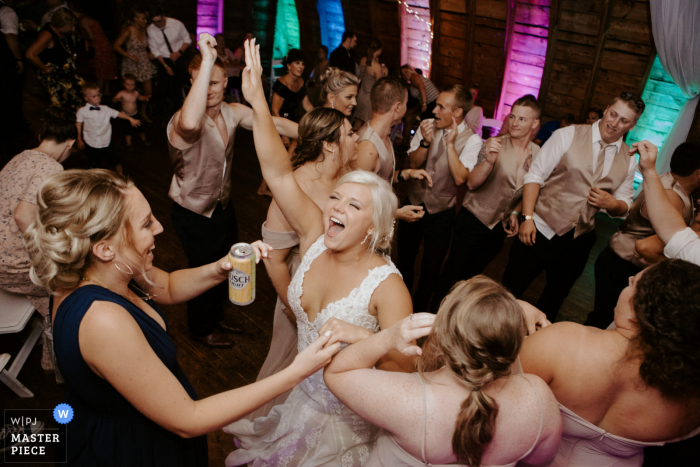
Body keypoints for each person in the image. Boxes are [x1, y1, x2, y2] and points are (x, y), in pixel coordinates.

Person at [23, 168, 341, 466]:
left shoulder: (103, 270)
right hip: (135, 444)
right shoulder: (102, 319)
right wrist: (295, 372)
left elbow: (169, 286)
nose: (159, 227)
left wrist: (222, 267)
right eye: (146, 223)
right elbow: (188, 419)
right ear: (106, 248)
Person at [224, 38, 415, 467]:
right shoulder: (313, 232)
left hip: (346, 423)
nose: (335, 208)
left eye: (352, 205)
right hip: (298, 402)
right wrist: (257, 100)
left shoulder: (387, 287)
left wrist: (366, 341)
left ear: (375, 226)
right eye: (336, 199)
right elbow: (276, 171)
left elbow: (402, 373)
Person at [324, 276, 562, 467]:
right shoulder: (539, 398)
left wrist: (387, 337)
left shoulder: (412, 400)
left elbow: (336, 373)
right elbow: (540, 459)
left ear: (444, 338)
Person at [167, 34, 298, 348]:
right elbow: (190, 121)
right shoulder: (181, 122)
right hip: (193, 213)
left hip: (223, 208)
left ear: (226, 83)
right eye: (202, 83)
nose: (209, 90)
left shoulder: (232, 111)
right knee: (203, 272)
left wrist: (326, 132)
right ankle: (201, 328)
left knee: (227, 263)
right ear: (192, 82)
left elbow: (276, 124)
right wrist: (207, 59)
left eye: (214, 83)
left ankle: (215, 317)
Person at [519, 260, 700, 467]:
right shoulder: (692, 397)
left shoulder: (563, 342)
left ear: (637, 307)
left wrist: (512, 308)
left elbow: (491, 392)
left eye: (632, 284)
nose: (627, 285)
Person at [247, 107, 359, 421]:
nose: (356, 137)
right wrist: (293, 307)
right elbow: (275, 260)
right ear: (330, 145)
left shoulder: (347, 175)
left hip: (343, 287)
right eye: (349, 133)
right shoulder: (294, 186)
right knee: (289, 366)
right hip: (301, 289)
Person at [502, 92, 643, 322]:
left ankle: (535, 349)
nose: (614, 123)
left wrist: (612, 204)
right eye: (613, 114)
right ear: (606, 109)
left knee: (553, 300)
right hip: (539, 228)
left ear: (633, 125)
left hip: (578, 240)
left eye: (624, 121)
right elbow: (535, 176)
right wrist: (527, 218)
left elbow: (626, 205)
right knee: (509, 292)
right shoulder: (567, 135)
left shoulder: (629, 160)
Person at [431, 94, 542, 314]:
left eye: (522, 119)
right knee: (453, 274)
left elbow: (528, 189)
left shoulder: (538, 154)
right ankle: (433, 316)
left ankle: (454, 319)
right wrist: (489, 162)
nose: (515, 123)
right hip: (473, 220)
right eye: (513, 117)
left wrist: (515, 211)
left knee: (471, 279)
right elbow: (471, 183)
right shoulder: (494, 144)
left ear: (535, 123)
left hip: (497, 230)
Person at [585, 141, 700, 329]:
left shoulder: (668, 181)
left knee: (605, 319)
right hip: (623, 264)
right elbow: (649, 246)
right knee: (604, 321)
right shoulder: (673, 196)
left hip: (618, 258)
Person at [0, 107, 76, 375]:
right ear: (71, 143)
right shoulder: (51, 166)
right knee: (69, 285)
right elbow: (23, 216)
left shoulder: (18, 157)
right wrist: (47, 259)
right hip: (11, 267)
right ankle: (61, 363)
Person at [399, 86, 482, 313]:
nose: (434, 110)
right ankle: (399, 305)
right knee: (404, 260)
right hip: (413, 202)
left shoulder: (473, 141)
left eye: (441, 107)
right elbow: (414, 165)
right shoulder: (427, 127)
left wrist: (450, 144)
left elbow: (459, 178)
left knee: (431, 268)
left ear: (456, 112)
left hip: (441, 214)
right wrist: (425, 142)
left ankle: (418, 311)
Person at [25, 8, 84, 111]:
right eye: (70, 26)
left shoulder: (63, 32)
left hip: (67, 74)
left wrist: (73, 55)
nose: (73, 29)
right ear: (62, 24)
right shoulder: (47, 34)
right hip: (56, 78)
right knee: (61, 106)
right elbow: (30, 54)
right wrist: (45, 69)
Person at [77, 81, 140, 174]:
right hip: (91, 143)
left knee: (116, 160)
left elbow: (119, 114)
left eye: (99, 95)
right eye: (94, 96)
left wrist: (130, 119)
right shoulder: (82, 111)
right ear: (86, 98)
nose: (98, 98)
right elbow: (78, 124)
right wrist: (79, 139)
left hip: (106, 141)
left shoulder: (105, 109)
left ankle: (121, 176)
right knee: (94, 165)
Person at [113, 8, 157, 122]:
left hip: (144, 63)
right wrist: (129, 55)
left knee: (148, 91)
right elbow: (116, 46)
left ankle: (142, 112)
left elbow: (145, 47)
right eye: (143, 19)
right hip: (131, 63)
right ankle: (128, 113)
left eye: (145, 19)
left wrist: (149, 53)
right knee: (130, 91)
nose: (145, 21)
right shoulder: (128, 30)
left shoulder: (145, 30)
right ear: (135, 19)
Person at [147, 7, 192, 116]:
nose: (157, 24)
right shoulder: (151, 29)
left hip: (178, 56)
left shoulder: (177, 24)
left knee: (177, 88)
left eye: (159, 21)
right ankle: (159, 116)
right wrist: (166, 66)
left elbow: (187, 40)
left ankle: (177, 114)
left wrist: (179, 52)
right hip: (163, 60)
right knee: (161, 89)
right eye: (154, 22)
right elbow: (155, 51)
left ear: (163, 17)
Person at [0, 0, 26, 148]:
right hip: (3, 60)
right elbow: (11, 36)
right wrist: (18, 58)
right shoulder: (6, 11)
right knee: (9, 92)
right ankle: (11, 130)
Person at [73, 9, 117, 89]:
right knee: (107, 67)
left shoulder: (83, 20)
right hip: (105, 43)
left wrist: (80, 36)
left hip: (99, 46)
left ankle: (99, 92)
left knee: (100, 69)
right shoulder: (86, 16)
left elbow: (91, 36)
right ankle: (107, 90)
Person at [400, 64, 440, 145]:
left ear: (410, 70)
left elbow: (422, 87)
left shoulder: (414, 76)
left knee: (424, 124)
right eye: (403, 73)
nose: (405, 74)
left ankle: (420, 146)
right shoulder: (411, 83)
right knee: (422, 123)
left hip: (433, 103)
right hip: (431, 104)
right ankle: (411, 145)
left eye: (406, 71)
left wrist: (424, 104)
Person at [271, 48, 314, 122]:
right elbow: (275, 112)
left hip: (292, 118)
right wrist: (283, 130)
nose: (301, 67)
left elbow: (307, 105)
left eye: (303, 64)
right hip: (279, 121)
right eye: (297, 63)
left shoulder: (301, 81)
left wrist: (319, 118)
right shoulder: (281, 85)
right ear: (289, 65)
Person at [112, 73, 151, 152]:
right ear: (124, 84)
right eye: (128, 84)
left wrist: (145, 98)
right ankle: (128, 144)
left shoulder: (136, 93)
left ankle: (144, 139)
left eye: (132, 85)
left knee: (140, 127)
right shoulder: (122, 93)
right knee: (127, 130)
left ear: (135, 85)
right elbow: (114, 99)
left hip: (135, 114)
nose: (130, 86)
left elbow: (140, 98)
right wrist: (117, 99)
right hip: (125, 116)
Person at [355, 37, 384, 128]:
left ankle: (351, 139)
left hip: (361, 94)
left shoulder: (364, 60)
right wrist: (384, 74)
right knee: (367, 125)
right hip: (369, 97)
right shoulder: (376, 66)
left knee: (358, 122)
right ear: (379, 50)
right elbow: (380, 84)